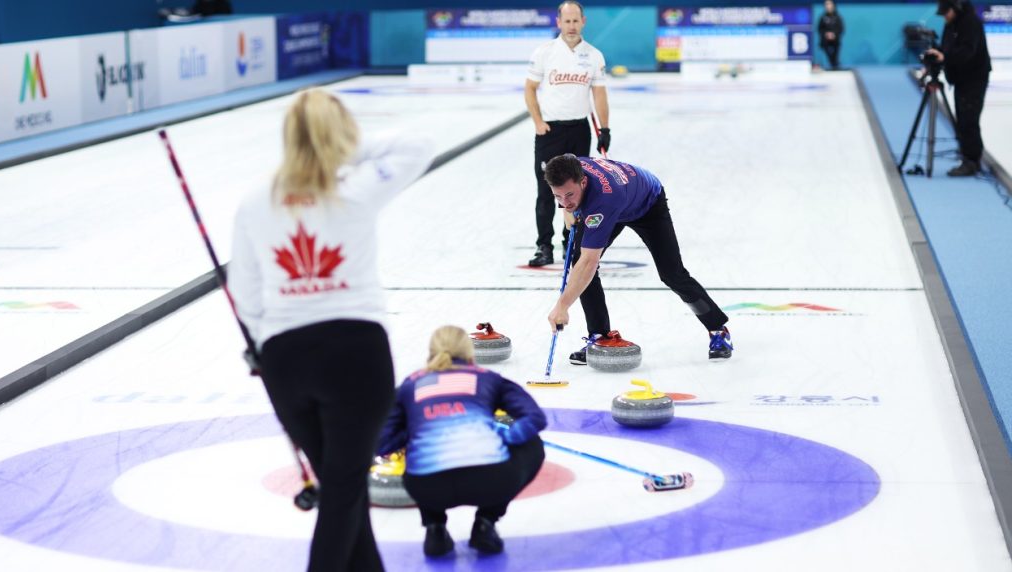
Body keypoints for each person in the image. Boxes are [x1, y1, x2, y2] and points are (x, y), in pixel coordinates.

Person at [227, 89, 436, 571]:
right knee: (343, 492)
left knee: (342, 493)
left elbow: (245, 289)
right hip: (355, 356)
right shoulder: (355, 187)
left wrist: (262, 344)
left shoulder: (257, 198)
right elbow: (418, 143)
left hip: (285, 359)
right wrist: (340, 153)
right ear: (339, 135)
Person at [542, 154, 732, 362]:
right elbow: (567, 196)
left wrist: (562, 306)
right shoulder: (570, 168)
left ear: (583, 181)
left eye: (569, 195)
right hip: (619, 198)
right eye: (558, 197)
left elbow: (589, 261)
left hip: (648, 204)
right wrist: (568, 208)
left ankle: (717, 329)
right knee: (578, 261)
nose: (564, 201)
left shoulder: (603, 200)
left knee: (672, 273)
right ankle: (599, 336)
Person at [377, 326, 547, 558]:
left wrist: (416, 431)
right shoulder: (488, 378)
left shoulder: (410, 385)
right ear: (470, 353)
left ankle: (434, 528)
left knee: (418, 450)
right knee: (533, 445)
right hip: (492, 481)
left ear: (431, 353)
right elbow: (535, 418)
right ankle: (486, 523)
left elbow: (381, 442)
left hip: (428, 488)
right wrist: (504, 436)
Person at [524, 1, 610, 267]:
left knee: (575, 192)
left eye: (576, 21)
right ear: (558, 22)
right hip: (550, 130)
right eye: (567, 21)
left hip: (578, 129)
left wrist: (605, 129)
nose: (571, 26)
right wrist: (538, 122)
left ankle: (570, 242)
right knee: (546, 190)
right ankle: (543, 246)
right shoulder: (545, 52)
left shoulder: (594, 56)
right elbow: (529, 89)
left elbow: (599, 94)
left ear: (583, 21)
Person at [926, 0, 991, 177]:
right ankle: (967, 154)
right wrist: (936, 52)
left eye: (946, 12)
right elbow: (947, 47)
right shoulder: (951, 23)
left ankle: (972, 160)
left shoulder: (971, 23)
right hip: (961, 78)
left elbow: (967, 52)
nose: (945, 16)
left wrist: (944, 56)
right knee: (962, 118)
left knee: (968, 119)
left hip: (974, 78)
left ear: (956, 8)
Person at [817, 0, 844, 70]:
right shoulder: (822, 18)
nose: (828, 6)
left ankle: (835, 63)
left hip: (835, 39)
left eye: (829, 4)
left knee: (836, 47)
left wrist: (834, 34)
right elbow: (820, 29)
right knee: (824, 45)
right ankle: (832, 62)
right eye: (826, 4)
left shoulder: (838, 17)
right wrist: (826, 34)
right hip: (825, 40)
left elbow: (841, 28)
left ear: (833, 6)